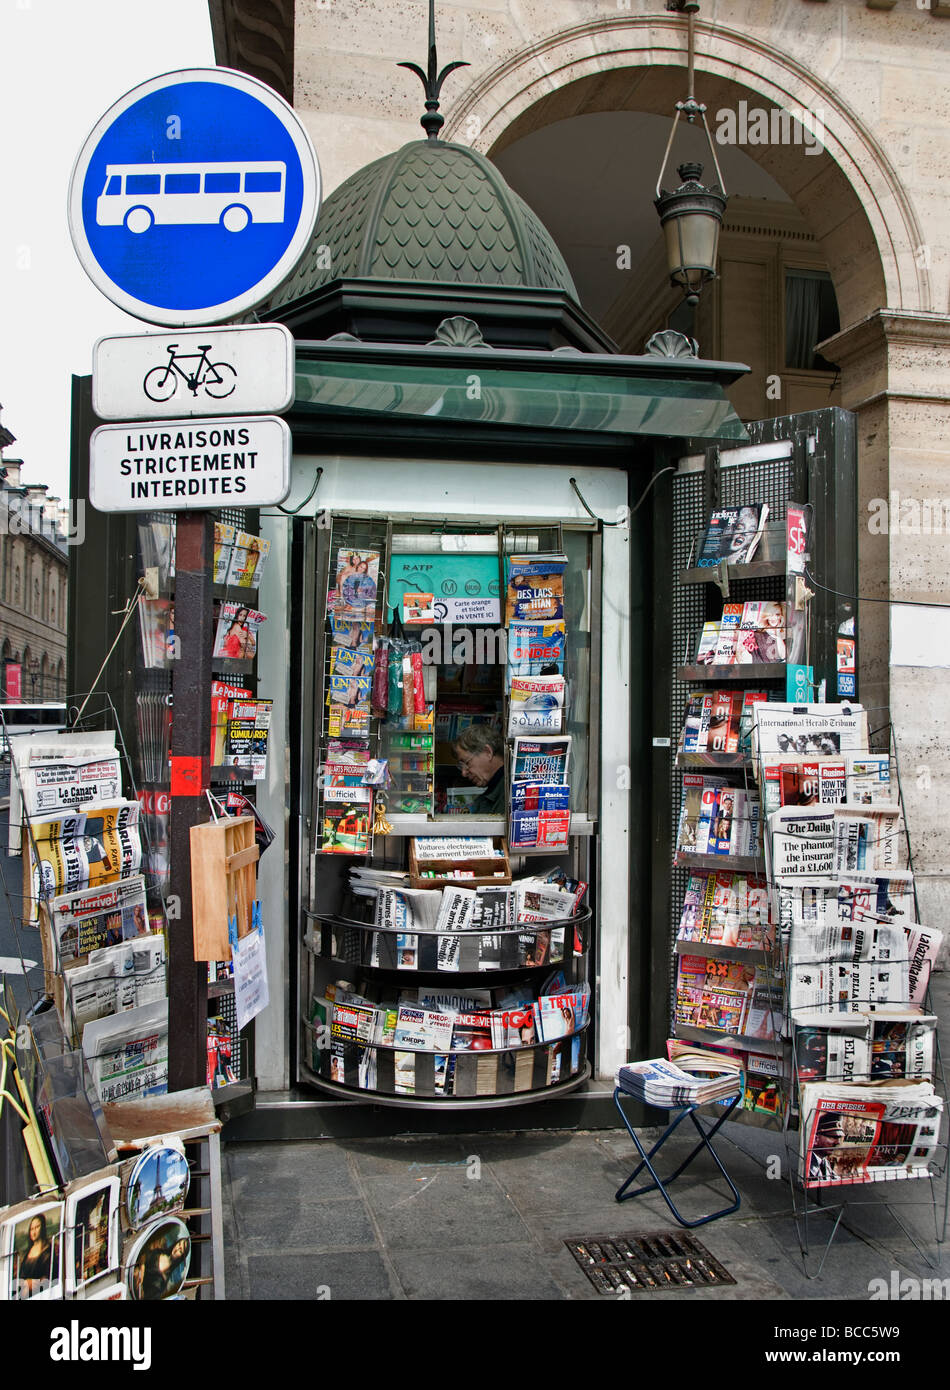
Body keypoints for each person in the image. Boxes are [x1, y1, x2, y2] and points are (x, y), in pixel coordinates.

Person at [452, 724, 505, 814]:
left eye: (467, 763)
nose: (464, 773)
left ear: (488, 752)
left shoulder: (508, 793)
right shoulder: (493, 793)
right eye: (461, 766)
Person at [18, 1212, 52, 1296]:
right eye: (31, 1229)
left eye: (37, 1227)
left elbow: (50, 1277)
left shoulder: (48, 1250)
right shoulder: (26, 1253)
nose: (34, 1231)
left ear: (42, 1228)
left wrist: (32, 1283)